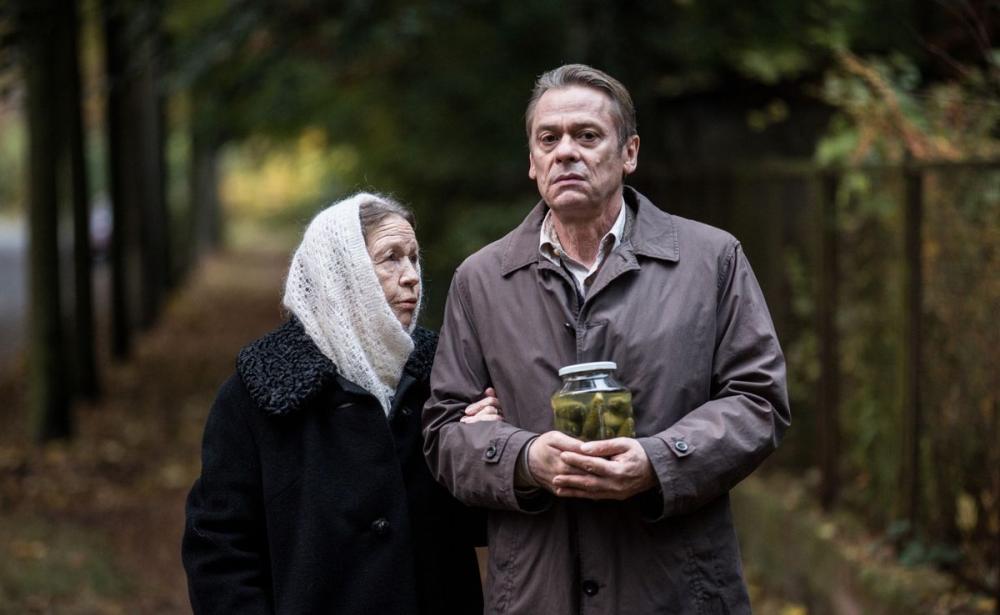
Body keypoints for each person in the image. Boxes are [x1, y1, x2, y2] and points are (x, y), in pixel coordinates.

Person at [423, 64, 791, 614]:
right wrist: (524, 458)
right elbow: (444, 432)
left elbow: (758, 401)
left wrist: (659, 461)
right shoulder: (482, 280)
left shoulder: (711, 259)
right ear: (532, 161)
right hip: (537, 595)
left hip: (676, 590)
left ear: (629, 153)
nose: (565, 152)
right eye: (549, 139)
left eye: (587, 135)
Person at [182, 192, 501, 615]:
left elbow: (481, 526)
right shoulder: (256, 392)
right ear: (342, 273)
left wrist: (483, 448)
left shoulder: (442, 375)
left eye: (413, 258)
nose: (412, 276)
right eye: (391, 258)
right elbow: (218, 549)